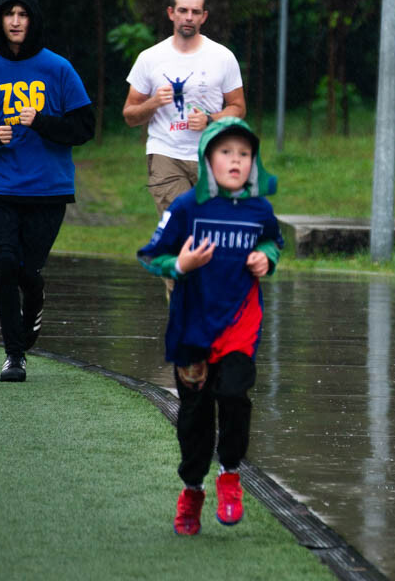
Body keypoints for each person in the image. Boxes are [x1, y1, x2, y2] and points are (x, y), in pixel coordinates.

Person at [137, 117, 282, 536]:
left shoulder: (260, 209)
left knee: (235, 395)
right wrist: (182, 264)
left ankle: (231, 474)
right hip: (192, 328)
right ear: (206, 159)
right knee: (195, 419)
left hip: (240, 325)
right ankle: (193, 489)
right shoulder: (186, 208)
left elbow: (273, 241)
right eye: (225, 152)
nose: (235, 161)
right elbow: (150, 255)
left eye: (244, 154)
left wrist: (266, 257)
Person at [0, 0, 94, 382]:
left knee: (28, 270)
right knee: (7, 263)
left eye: (22, 14)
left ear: (33, 21)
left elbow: (84, 127)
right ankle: (14, 356)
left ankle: (36, 294)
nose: (15, 21)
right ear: (0, 21)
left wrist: (42, 120)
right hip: (1, 186)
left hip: (48, 189)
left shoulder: (59, 69)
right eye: (9, 14)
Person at [123, 0, 246, 220]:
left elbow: (238, 108)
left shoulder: (222, 57)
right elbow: (130, 115)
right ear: (171, 13)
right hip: (166, 153)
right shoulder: (150, 58)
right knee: (180, 225)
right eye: (182, 11)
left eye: (195, 12)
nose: (188, 17)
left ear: (204, 17)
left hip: (212, 154)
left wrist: (210, 120)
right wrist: (154, 103)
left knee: (211, 226)